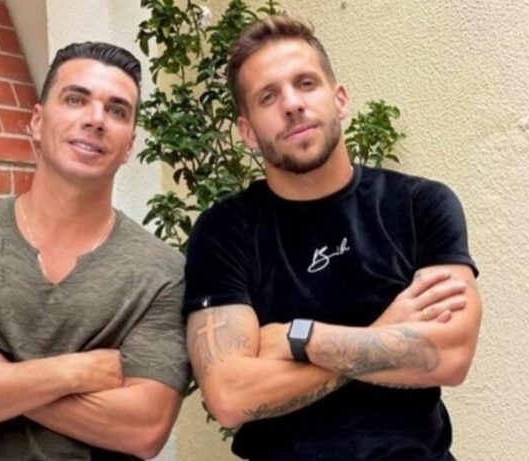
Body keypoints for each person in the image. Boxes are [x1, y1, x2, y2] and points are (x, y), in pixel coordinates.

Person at [183, 15, 482, 461]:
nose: (291, 104)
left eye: (305, 83)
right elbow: (229, 395)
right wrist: (385, 333)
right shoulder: (225, 231)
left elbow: (449, 355)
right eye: (268, 96)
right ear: (247, 132)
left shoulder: (419, 206)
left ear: (339, 99)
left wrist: (299, 338)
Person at [0, 42, 189, 461]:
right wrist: (78, 371)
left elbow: (143, 430)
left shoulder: (160, 271)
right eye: (76, 99)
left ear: (129, 145)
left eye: (117, 110)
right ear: (36, 121)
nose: (95, 119)